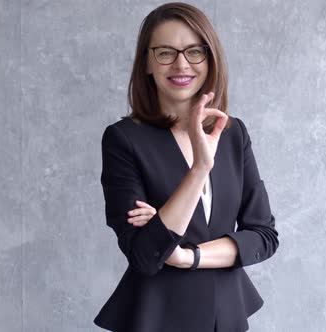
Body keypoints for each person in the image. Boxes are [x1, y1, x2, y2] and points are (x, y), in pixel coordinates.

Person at [93, 3, 279, 331]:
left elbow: (262, 236)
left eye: (194, 51)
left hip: (226, 316)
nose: (181, 63)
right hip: (157, 317)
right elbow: (146, 256)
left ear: (210, 60)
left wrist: (183, 256)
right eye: (166, 52)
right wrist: (199, 169)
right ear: (147, 63)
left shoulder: (233, 133)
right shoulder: (123, 139)